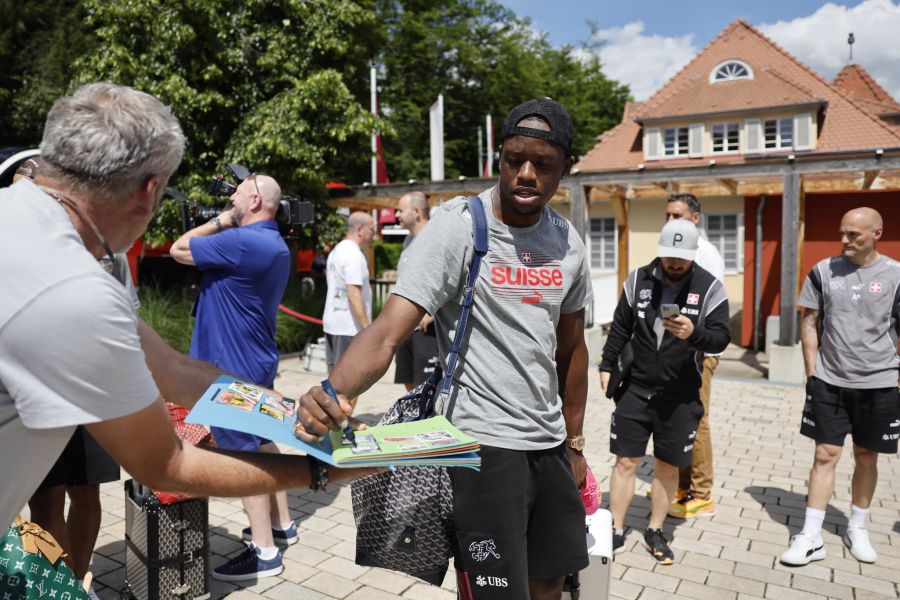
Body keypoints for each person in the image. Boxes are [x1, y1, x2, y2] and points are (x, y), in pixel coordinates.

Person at [0, 83, 373, 540]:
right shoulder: (77, 291)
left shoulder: (19, 217)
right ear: (150, 191)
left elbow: (173, 370)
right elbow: (168, 464)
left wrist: (290, 410)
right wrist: (321, 472)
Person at [296, 98, 592, 600]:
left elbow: (572, 350)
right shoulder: (460, 226)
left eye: (542, 164)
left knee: (550, 583)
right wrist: (330, 391)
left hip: (549, 444)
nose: (525, 174)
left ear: (564, 168)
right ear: (497, 157)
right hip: (482, 446)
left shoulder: (567, 242)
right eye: (513, 159)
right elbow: (389, 329)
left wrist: (575, 444)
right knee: (496, 593)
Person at [170, 174, 295, 580]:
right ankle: (282, 524)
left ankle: (264, 552)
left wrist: (222, 220)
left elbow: (178, 248)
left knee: (241, 455)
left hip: (231, 365)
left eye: (238, 194)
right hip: (255, 357)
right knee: (260, 439)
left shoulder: (241, 241)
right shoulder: (273, 242)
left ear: (255, 199)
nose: (232, 198)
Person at [600, 219, 730, 564]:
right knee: (626, 461)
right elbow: (620, 327)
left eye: (681, 258)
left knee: (667, 465)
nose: (674, 264)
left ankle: (656, 528)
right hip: (637, 389)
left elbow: (721, 338)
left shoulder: (710, 286)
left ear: (693, 254)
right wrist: (606, 364)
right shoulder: (638, 278)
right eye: (669, 256)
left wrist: (694, 332)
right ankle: (615, 527)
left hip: (681, 394)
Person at [780, 207, 900, 567]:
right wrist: (812, 371)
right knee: (824, 456)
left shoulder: (896, 275)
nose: (844, 240)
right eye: (842, 232)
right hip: (830, 381)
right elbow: (810, 321)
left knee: (866, 456)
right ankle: (811, 535)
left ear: (877, 233)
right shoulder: (822, 272)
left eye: (854, 235)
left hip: (879, 383)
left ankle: (857, 527)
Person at [662, 193, 726, 519]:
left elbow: (705, 313)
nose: (670, 222)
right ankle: (683, 486)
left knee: (698, 421)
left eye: (678, 215)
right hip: (678, 352)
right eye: (668, 215)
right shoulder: (676, 249)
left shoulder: (705, 255)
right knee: (682, 419)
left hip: (699, 354)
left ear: (696, 219)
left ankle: (702, 494)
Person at [322, 211, 374, 407]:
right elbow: (354, 296)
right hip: (349, 327)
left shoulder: (337, 250)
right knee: (351, 383)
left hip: (333, 323)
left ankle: (335, 427)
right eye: (372, 228)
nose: (374, 234)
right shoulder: (353, 255)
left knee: (334, 381)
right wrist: (368, 330)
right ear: (360, 230)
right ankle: (342, 429)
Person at [393, 192, 439, 391]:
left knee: (427, 385)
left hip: (427, 329)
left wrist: (434, 311)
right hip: (404, 326)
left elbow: (454, 279)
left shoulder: (437, 239)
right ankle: (414, 420)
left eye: (400, 210)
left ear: (416, 212)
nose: (396, 214)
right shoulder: (408, 241)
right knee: (408, 379)